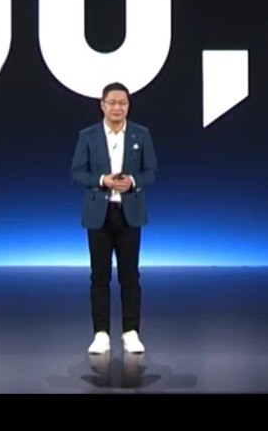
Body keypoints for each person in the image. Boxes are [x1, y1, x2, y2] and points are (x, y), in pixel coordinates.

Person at [70, 82, 158, 355]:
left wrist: (132, 181)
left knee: (130, 276)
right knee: (100, 276)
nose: (117, 107)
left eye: (123, 103)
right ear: (102, 105)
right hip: (99, 214)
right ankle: (101, 334)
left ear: (128, 106)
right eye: (112, 102)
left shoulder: (141, 134)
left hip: (129, 214)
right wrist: (102, 180)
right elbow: (77, 172)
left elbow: (151, 171)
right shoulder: (88, 136)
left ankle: (131, 332)